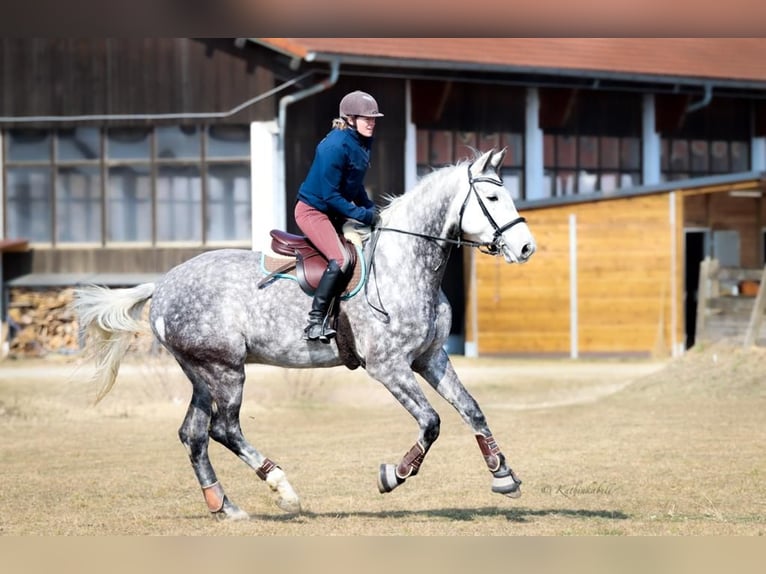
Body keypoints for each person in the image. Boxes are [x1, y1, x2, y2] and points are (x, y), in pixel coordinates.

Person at [294, 90, 383, 342]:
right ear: (350, 119)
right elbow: (331, 196)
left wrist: (372, 210)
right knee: (341, 258)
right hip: (313, 211)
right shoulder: (334, 146)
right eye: (366, 118)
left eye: (374, 118)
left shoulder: (362, 143)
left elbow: (354, 187)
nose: (372, 122)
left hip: (335, 211)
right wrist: (363, 215)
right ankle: (315, 321)